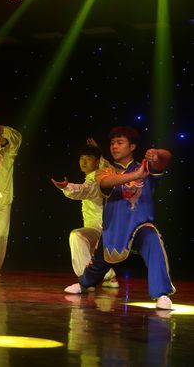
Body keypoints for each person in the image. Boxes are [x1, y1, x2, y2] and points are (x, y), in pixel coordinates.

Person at [64, 127, 175, 310]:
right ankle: (84, 283)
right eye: (112, 143)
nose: (114, 146)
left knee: (153, 239)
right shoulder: (105, 171)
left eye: (119, 142)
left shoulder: (145, 167)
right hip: (114, 228)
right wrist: (136, 175)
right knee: (98, 264)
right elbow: (106, 182)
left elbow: (166, 157)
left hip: (140, 225)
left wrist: (157, 153)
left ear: (132, 146)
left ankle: (162, 294)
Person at [52, 142, 118, 287]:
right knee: (88, 246)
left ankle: (85, 280)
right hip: (100, 229)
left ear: (96, 162)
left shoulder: (95, 179)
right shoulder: (102, 174)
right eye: (82, 158)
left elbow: (85, 190)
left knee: (77, 236)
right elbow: (107, 166)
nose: (84, 162)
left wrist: (67, 187)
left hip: (101, 229)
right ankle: (109, 276)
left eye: (88, 158)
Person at [0, 125, 22, 275]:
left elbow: (17, 138)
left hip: (3, 199)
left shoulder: (8, 153)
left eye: (1, 137)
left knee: (0, 234)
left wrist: (3, 130)